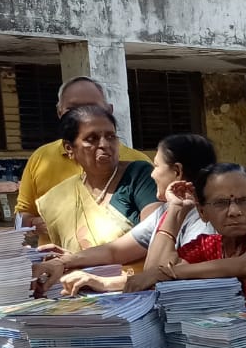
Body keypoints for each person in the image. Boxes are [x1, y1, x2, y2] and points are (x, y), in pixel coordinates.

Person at [34, 133, 218, 296]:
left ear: (177, 171)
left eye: (156, 166)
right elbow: (114, 251)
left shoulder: (203, 220)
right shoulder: (165, 211)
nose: (152, 174)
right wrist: (64, 262)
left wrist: (103, 282)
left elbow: (165, 275)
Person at [127, 163, 246, 306]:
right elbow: (154, 272)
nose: (234, 211)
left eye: (244, 201)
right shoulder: (209, 245)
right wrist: (176, 209)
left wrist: (166, 273)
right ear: (202, 212)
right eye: (221, 203)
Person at [15, 76, 148, 234]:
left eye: (92, 108)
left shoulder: (139, 166)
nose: (85, 116)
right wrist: (35, 224)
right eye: (73, 110)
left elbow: (156, 226)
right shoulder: (42, 158)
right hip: (54, 251)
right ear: (59, 113)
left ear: (109, 111)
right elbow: (21, 217)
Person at [34, 105, 158, 253]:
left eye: (111, 137)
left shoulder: (138, 175)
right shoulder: (60, 197)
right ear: (69, 148)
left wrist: (79, 259)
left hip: (139, 269)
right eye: (91, 139)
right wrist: (70, 259)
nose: (104, 144)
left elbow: (154, 234)